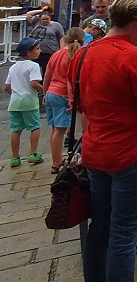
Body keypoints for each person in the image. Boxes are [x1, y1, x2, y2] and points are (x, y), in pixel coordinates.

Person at [70, 0, 137, 282]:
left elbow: (82, 107)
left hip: (96, 150)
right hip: (132, 152)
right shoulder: (134, 56)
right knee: (124, 233)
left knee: (100, 227)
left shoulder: (84, 53)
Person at [43, 27, 83, 173]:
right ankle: (56, 163)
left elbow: (47, 75)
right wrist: (72, 99)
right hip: (62, 95)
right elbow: (69, 81)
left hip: (51, 93)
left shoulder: (56, 54)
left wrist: (44, 93)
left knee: (54, 129)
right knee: (60, 131)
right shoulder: (74, 55)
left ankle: (57, 157)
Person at [5, 38, 45, 167]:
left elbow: (6, 87)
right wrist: (45, 90)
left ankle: (15, 157)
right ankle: (33, 154)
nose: (40, 51)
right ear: (29, 52)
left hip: (15, 102)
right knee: (34, 127)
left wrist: (16, 93)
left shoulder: (13, 67)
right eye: (37, 49)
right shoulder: (33, 66)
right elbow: (33, 83)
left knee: (15, 129)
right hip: (29, 101)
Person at [26, 5, 64, 77]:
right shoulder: (37, 22)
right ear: (40, 18)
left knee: (46, 73)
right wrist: (41, 11)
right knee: (34, 71)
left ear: (50, 18)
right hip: (36, 51)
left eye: (47, 19)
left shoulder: (56, 25)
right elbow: (28, 14)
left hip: (49, 52)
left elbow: (61, 37)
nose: (45, 21)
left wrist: (61, 50)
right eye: (43, 19)